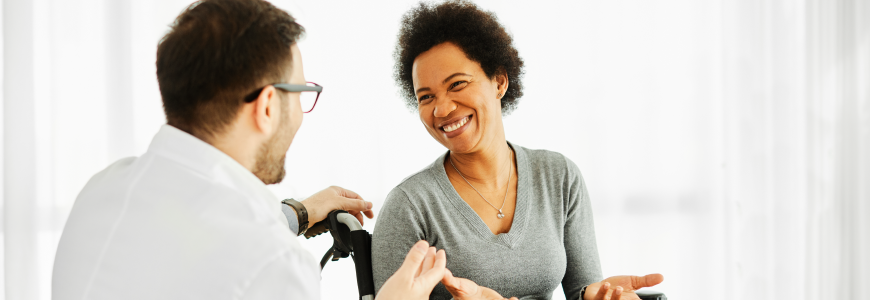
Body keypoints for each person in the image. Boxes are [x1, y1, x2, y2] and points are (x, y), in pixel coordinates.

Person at [51, 1, 463, 299]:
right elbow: (239, 252)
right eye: (300, 93)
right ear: (267, 106)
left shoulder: (101, 191)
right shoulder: (273, 263)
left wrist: (295, 214)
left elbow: (194, 237)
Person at [371, 1, 664, 299]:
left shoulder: (559, 177)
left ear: (499, 82)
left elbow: (583, 290)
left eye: (457, 84)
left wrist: (599, 295)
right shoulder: (409, 206)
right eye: (426, 97)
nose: (442, 109)